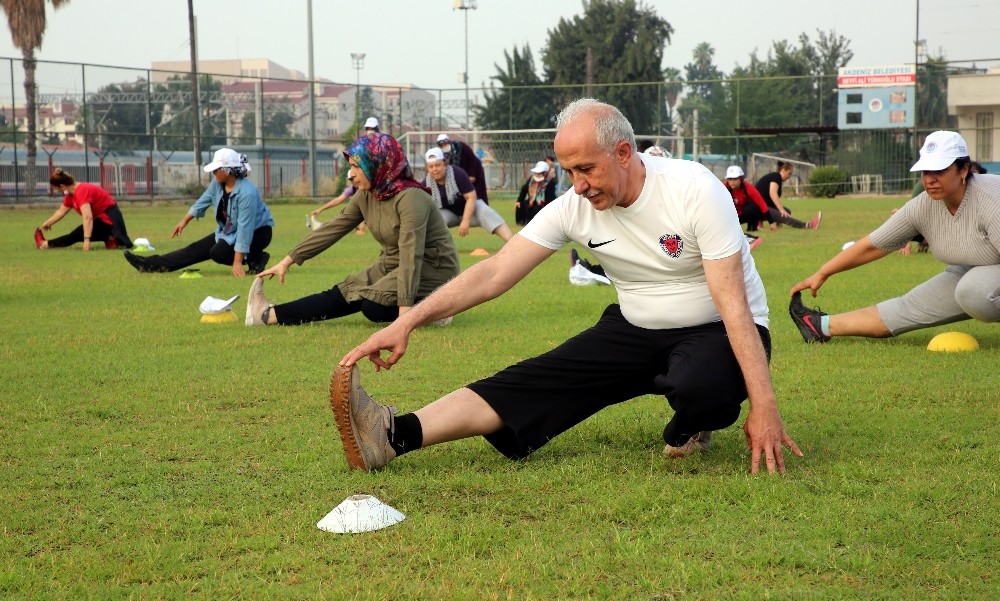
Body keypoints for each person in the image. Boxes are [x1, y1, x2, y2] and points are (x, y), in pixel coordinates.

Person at [332, 98, 801, 475]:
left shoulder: (695, 190)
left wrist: (765, 406)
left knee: (700, 384)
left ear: (623, 154)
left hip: (717, 327)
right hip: (636, 326)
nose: (576, 185)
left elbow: (734, 306)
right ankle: (393, 434)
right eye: (568, 171)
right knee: (534, 378)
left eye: (586, 170)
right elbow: (494, 273)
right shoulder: (573, 204)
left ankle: (690, 427)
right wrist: (408, 320)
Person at [789, 131, 1000, 343]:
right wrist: (822, 273)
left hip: (981, 278)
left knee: (973, 291)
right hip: (973, 270)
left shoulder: (991, 200)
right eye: (925, 171)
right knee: (907, 307)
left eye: (940, 170)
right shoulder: (923, 206)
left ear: (964, 169)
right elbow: (873, 245)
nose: (930, 179)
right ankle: (819, 326)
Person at [245, 133, 460, 327]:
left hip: (433, 268)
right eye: (351, 167)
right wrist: (287, 261)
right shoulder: (368, 194)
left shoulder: (411, 197)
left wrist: (405, 314)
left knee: (373, 307)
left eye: (357, 167)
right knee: (347, 291)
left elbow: (411, 254)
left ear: (377, 164)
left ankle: (433, 310)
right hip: (393, 264)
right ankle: (267, 315)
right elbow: (333, 228)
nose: (351, 175)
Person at [123, 149, 273, 276]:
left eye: (216, 169)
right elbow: (205, 199)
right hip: (230, 230)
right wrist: (185, 220)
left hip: (258, 233)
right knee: (195, 249)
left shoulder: (247, 193)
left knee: (218, 253)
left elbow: (245, 229)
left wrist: (238, 261)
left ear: (228, 170)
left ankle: (256, 258)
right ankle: (149, 265)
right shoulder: (218, 183)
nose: (213, 172)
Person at [423, 147, 513, 243]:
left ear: (445, 164)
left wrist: (465, 221)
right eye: (431, 166)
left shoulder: (457, 173)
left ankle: (513, 243)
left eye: (437, 165)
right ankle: (439, 252)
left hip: (471, 209)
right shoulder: (426, 184)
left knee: (487, 212)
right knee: (434, 221)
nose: (434, 169)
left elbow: (471, 197)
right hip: (449, 214)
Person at [35, 168, 133, 251]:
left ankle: (44, 245)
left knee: (76, 234)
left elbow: (88, 217)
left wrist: (87, 240)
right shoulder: (70, 195)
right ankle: (112, 239)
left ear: (62, 186)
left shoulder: (81, 191)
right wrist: (48, 223)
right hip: (101, 220)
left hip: (110, 220)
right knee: (79, 233)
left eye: (57, 189)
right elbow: (61, 211)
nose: (57, 191)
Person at [724, 166, 820, 234]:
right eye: (730, 179)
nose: (732, 181)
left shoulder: (748, 187)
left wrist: (771, 221)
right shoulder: (722, 188)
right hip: (734, 217)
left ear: (741, 179)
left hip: (753, 211)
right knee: (782, 214)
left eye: (735, 179)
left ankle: (758, 224)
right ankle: (808, 225)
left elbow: (761, 203)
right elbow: (772, 193)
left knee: (785, 212)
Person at [755, 161, 811, 231]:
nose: (789, 177)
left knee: (787, 211)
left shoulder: (777, 178)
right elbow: (772, 193)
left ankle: (762, 221)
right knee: (784, 215)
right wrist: (781, 210)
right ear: (783, 170)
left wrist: (782, 210)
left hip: (763, 206)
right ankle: (806, 225)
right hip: (757, 207)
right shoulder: (776, 176)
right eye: (789, 174)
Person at [436, 133, 488, 203]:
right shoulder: (442, 155)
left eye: (445, 143)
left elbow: (472, 158)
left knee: (479, 193)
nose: (444, 146)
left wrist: (472, 174)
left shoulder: (460, 146)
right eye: (441, 145)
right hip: (462, 174)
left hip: (475, 170)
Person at [515, 161, 556, 225]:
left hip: (543, 204)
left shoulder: (550, 182)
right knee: (520, 205)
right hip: (531, 201)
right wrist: (519, 201)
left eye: (539, 173)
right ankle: (522, 222)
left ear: (545, 173)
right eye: (536, 172)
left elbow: (551, 198)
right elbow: (524, 190)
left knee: (536, 209)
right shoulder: (531, 180)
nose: (537, 174)